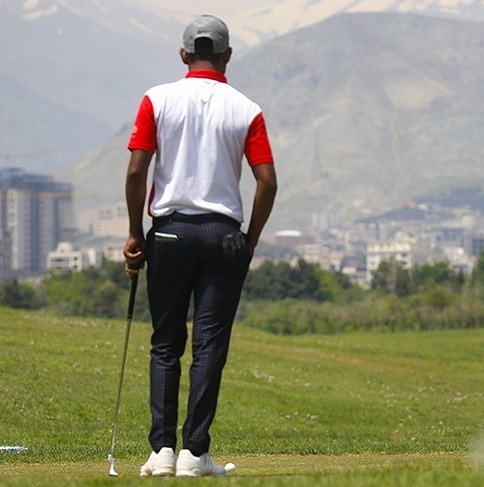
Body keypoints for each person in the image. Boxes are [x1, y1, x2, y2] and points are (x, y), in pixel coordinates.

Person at [123, 14, 278, 477]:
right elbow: (267, 181)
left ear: (184, 54)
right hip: (222, 236)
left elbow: (136, 172)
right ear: (228, 56)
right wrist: (249, 240)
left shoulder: (157, 99)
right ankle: (195, 454)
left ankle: (161, 453)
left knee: (166, 343)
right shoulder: (247, 109)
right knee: (210, 345)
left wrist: (136, 233)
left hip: (169, 232)